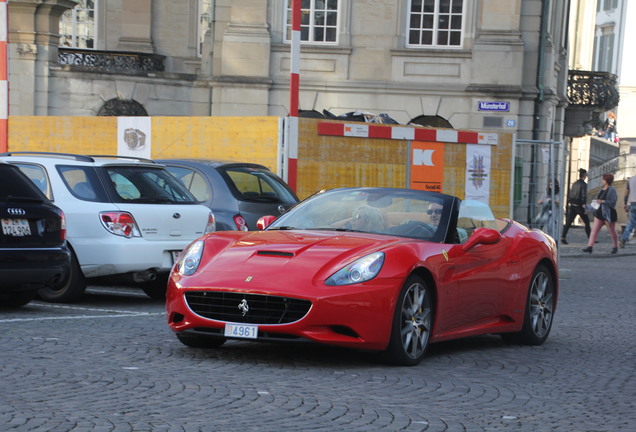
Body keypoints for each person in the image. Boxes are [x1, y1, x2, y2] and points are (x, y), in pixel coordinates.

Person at [583, 173, 619, 254]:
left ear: (607, 181)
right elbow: (596, 200)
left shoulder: (612, 190)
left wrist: (603, 201)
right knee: (594, 231)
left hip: (608, 214)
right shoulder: (601, 189)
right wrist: (589, 207)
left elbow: (613, 202)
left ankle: (615, 246)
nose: (602, 181)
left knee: (612, 231)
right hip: (599, 213)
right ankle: (590, 246)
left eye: (603, 179)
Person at [561, 168, 591, 244]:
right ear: (584, 176)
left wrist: (570, 201)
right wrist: (584, 204)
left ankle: (563, 237)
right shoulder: (584, 185)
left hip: (573, 205)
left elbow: (570, 193)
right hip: (580, 205)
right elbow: (583, 195)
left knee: (568, 223)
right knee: (587, 222)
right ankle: (591, 239)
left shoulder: (574, 183)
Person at [619, 176, 636, 248]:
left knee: (630, 224)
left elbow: (627, 192)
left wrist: (625, 203)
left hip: (632, 204)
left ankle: (623, 238)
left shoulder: (631, 179)